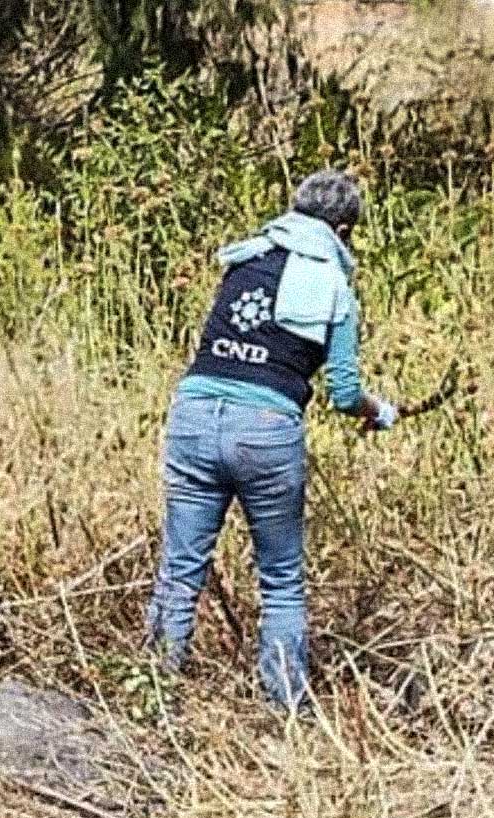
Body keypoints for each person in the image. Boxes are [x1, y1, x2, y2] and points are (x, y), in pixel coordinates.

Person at [147, 169, 398, 712]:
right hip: (265, 431)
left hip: (192, 414)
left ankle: (154, 699)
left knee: (180, 567)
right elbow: (344, 390)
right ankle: (286, 708)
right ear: (344, 229)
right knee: (281, 580)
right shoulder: (335, 287)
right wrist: (380, 413)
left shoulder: (243, 260)